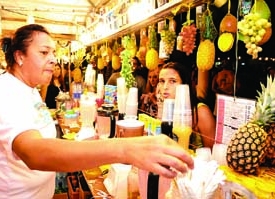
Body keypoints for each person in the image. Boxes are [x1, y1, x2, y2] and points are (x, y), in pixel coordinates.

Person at [0, 24, 194, 198]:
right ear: (19, 56)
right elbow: (35, 153)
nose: (53, 59)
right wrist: (126, 149)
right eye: (44, 53)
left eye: (53, 53)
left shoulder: (28, 90)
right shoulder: (7, 92)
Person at [158, 62, 216, 149]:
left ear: (184, 84)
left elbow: (213, 152)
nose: (165, 87)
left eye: (172, 81)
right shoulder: (167, 107)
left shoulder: (201, 111)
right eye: (162, 81)